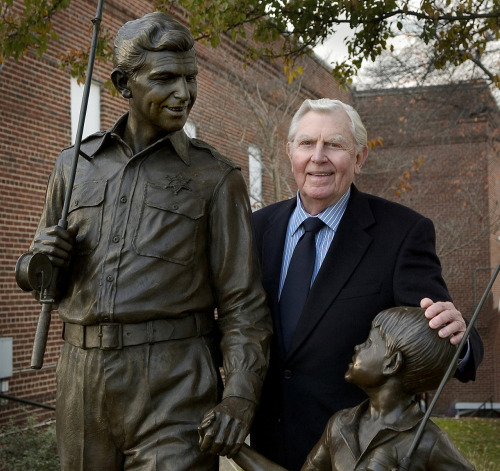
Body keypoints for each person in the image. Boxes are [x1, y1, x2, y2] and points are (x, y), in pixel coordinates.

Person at [23, 12, 272, 471]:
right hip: (81, 378)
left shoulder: (215, 177)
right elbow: (39, 273)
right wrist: (38, 261)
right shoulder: (74, 166)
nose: (184, 93)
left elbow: (243, 304)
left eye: (190, 78)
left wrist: (239, 395)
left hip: (174, 383)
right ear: (123, 82)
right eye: (165, 78)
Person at [249, 98, 483, 471]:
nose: (319, 157)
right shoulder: (253, 230)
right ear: (289, 152)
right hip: (265, 447)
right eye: (307, 143)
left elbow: (436, 329)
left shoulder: (403, 234)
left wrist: (461, 341)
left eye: (335, 145)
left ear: (360, 157)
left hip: (355, 453)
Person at [228, 306, 475, 471]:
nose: (357, 346)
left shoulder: (428, 441)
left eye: (369, 342)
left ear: (392, 363)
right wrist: (235, 448)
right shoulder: (339, 426)